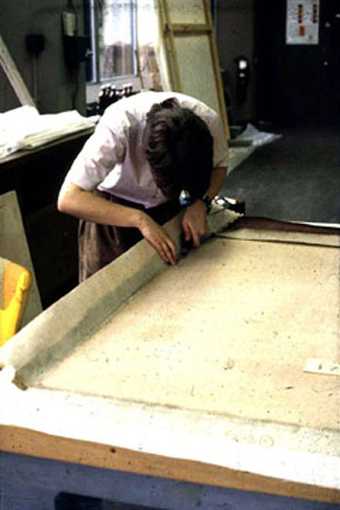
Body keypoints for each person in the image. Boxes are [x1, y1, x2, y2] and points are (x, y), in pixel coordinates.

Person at [57, 91, 228, 281]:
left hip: (167, 209)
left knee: (177, 281)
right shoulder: (120, 125)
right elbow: (69, 198)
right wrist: (139, 219)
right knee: (109, 290)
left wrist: (200, 202)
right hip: (111, 210)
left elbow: (220, 166)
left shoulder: (208, 122)